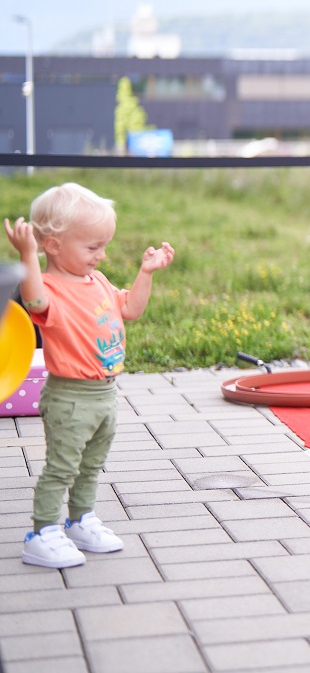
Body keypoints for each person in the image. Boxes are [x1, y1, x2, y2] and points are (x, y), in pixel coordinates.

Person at [4, 183, 174, 568]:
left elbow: (130, 308)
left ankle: (80, 520)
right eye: (92, 247)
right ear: (54, 245)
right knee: (62, 467)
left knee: (90, 465)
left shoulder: (96, 282)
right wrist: (27, 254)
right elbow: (32, 299)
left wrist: (146, 273)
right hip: (70, 396)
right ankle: (42, 533)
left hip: (105, 395)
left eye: (104, 245)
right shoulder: (48, 288)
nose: (102, 255)